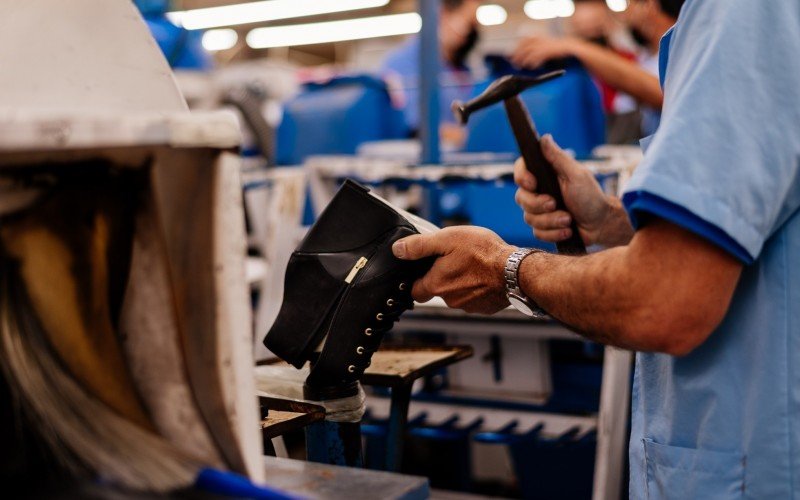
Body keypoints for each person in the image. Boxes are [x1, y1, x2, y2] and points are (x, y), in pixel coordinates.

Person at [391, 0, 800, 497]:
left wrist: (505, 268)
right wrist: (609, 220)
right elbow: (756, 217)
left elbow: (661, 301)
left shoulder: (744, 13)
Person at [512, 0, 680, 137]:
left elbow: (660, 92)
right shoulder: (647, 58)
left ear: (649, 6)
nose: (626, 13)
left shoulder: (678, 53)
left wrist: (574, 46)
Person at [380, 0, 480, 144]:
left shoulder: (461, 68)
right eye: (467, 23)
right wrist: (473, 137)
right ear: (442, 14)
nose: (469, 34)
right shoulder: (400, 64)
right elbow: (416, 125)